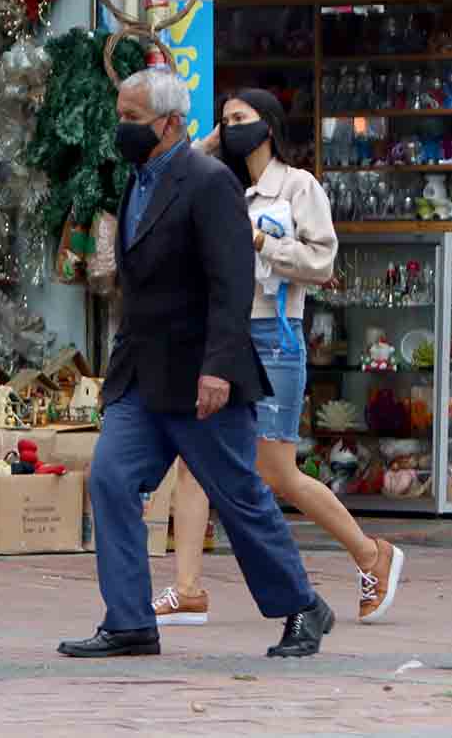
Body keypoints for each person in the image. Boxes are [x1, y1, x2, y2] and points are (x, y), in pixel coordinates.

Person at [58, 69, 333, 661]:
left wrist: (218, 368)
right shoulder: (139, 179)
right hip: (142, 376)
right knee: (110, 479)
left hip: (201, 375)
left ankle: (302, 606)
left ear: (171, 123)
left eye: (132, 118)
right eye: (121, 115)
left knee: (237, 495)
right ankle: (129, 622)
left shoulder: (208, 183)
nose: (121, 128)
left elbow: (231, 284)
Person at [151, 90, 405, 629]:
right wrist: (210, 141)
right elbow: (168, 184)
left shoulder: (298, 186)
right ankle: (187, 587)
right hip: (222, 335)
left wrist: (263, 244)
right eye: (225, 121)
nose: (231, 127)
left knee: (276, 470)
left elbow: (322, 261)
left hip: (274, 333)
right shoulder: (219, 185)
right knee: (194, 460)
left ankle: (370, 554)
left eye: (240, 119)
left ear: (268, 125)